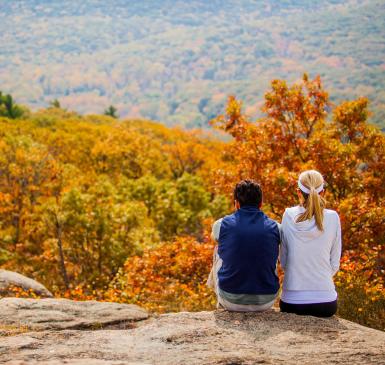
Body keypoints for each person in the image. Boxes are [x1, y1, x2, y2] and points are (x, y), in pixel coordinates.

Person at [207, 179, 280, 311]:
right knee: (270, 247)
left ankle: (220, 302)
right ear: (261, 203)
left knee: (218, 248)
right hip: (266, 300)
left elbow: (214, 238)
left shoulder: (221, 224)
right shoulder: (276, 227)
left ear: (236, 203)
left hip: (230, 299)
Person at [280, 170, 342, 317]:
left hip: (292, 302)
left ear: (298, 192)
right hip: (326, 302)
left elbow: (283, 261)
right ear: (323, 192)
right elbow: (334, 263)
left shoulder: (288, 215)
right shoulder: (333, 217)